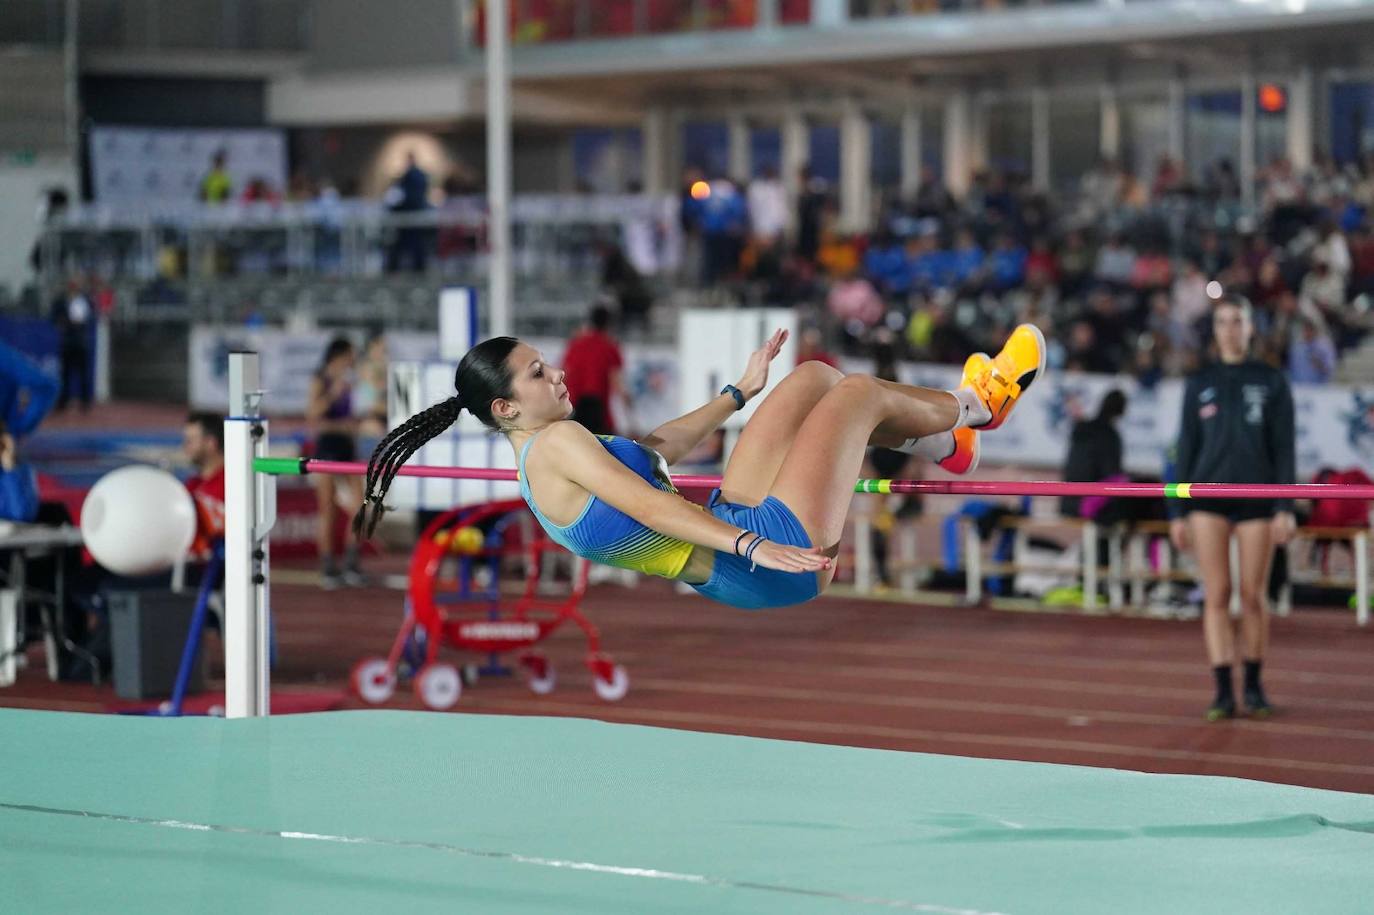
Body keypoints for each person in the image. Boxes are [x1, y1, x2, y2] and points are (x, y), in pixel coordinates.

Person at [354, 325, 1044, 611]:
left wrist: (740, 392)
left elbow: (657, 450)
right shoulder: (554, 448)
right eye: (538, 372)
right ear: (507, 407)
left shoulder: (559, 440)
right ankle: (979, 406)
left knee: (810, 379)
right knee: (856, 395)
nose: (557, 371)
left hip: (729, 523)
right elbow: (653, 507)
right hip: (753, 563)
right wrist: (755, 543)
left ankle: (945, 446)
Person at [1169, 296, 1295, 721]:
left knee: (1252, 596)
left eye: (1237, 320)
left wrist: (1285, 507)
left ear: (1250, 327)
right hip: (1206, 500)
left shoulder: (1272, 380)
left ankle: (1255, 686)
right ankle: (1223, 689)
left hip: (1258, 499)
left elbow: (1284, 449)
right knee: (1217, 594)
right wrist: (1176, 513)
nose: (1229, 328)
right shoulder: (1199, 381)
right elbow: (1184, 448)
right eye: (1222, 321)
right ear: (1215, 329)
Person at [307, 338, 365, 588]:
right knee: (328, 509)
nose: (353, 360)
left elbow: (350, 414)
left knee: (361, 505)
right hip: (328, 446)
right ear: (339, 355)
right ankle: (328, 567)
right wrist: (333, 393)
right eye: (351, 355)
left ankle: (351, 562)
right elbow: (313, 415)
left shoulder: (350, 380)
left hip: (347, 445)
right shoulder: (321, 379)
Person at [561, 305, 630, 436]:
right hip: (598, 407)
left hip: (576, 404)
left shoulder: (576, 343)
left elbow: (565, 372)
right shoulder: (610, 346)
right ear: (609, 324)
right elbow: (615, 378)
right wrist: (626, 399)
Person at [1060, 389, 1126, 521]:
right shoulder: (1110, 435)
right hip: (1088, 504)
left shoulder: (1082, 428)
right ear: (1121, 411)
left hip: (1066, 501)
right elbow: (1112, 474)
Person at [183, 412, 226, 560]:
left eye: (191, 440)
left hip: (214, 566)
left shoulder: (233, 482)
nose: (185, 446)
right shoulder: (192, 484)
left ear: (211, 443)